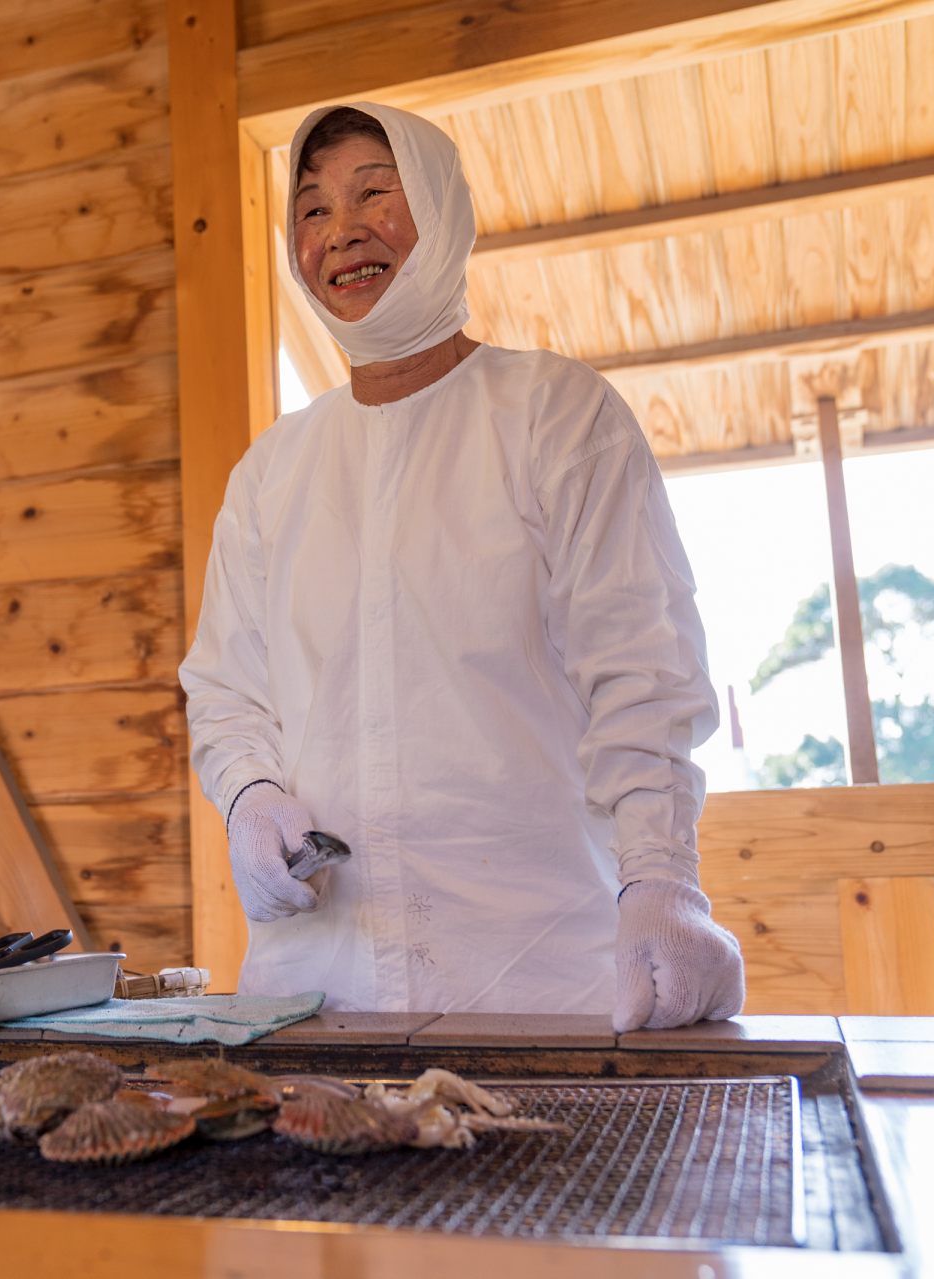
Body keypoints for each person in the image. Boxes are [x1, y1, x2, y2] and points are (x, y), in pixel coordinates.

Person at [178, 103, 746, 1032]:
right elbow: (226, 688)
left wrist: (661, 879)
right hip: (319, 990)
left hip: (535, 974)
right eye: (312, 210)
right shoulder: (273, 472)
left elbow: (642, 674)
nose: (344, 230)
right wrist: (250, 792)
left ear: (441, 210)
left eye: (375, 192)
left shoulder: (559, 417)